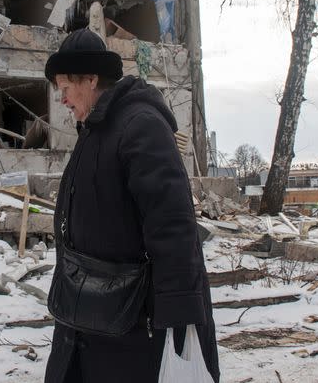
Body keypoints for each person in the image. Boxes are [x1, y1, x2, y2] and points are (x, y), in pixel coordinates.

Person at [43, 29, 220, 383]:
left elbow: (172, 225)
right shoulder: (96, 130)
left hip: (134, 325)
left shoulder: (140, 126)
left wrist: (180, 320)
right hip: (92, 316)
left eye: (65, 88)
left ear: (91, 80)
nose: (62, 100)